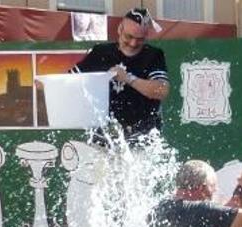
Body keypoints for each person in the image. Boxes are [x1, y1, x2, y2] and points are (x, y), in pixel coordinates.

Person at [71, 8, 169, 138]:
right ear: (120, 29)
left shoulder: (153, 55)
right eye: (129, 36)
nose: (133, 43)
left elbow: (161, 90)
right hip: (104, 136)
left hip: (144, 136)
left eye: (140, 39)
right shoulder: (100, 52)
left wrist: (129, 78)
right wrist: (45, 84)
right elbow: (69, 79)